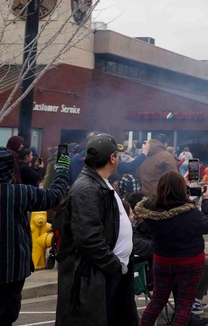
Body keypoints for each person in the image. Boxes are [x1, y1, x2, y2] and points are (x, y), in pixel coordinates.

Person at [55, 133, 138, 325]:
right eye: (117, 154)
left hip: (104, 273)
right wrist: (114, 265)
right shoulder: (89, 189)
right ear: (112, 158)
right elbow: (88, 238)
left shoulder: (99, 182)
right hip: (96, 275)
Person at [135, 171, 208, 325]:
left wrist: (181, 184)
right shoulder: (189, 213)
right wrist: (206, 201)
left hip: (162, 260)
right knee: (184, 304)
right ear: (181, 190)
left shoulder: (150, 210)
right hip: (190, 260)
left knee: (157, 300)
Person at [1, 148, 70, 324]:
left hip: (13, 268)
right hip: (12, 269)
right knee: (6, 315)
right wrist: (61, 171)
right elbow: (54, 196)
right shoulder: (19, 193)